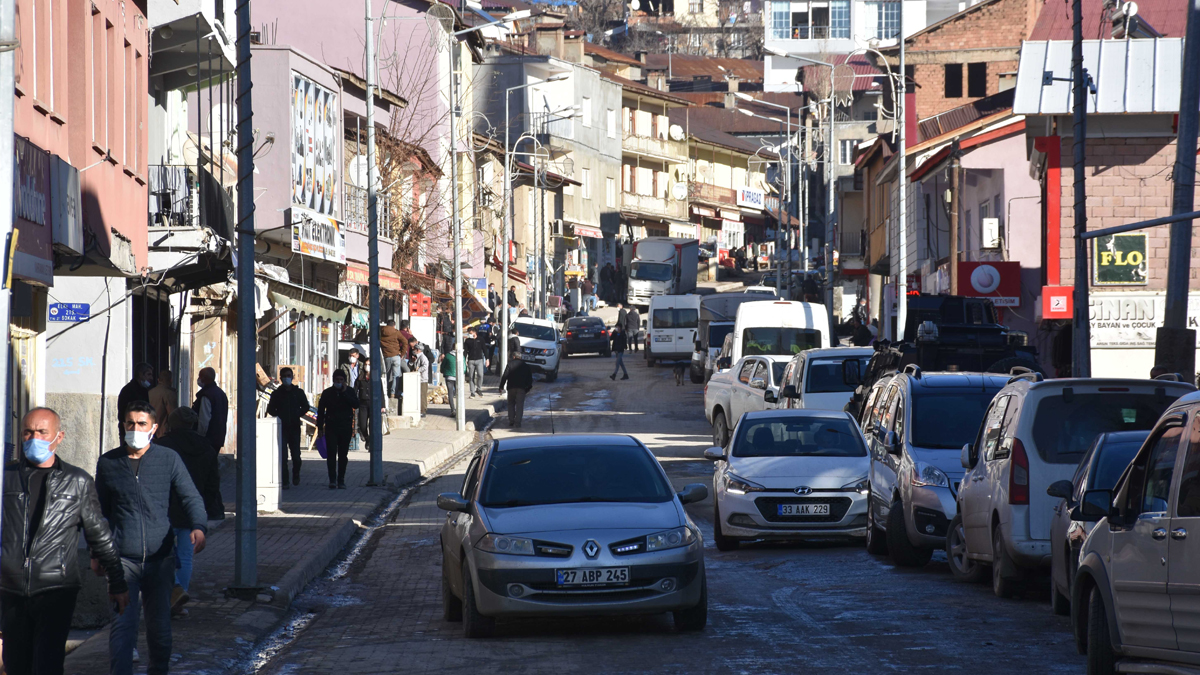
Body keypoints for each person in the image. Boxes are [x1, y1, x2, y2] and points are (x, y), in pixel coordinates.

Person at [2, 408, 128, 675]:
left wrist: (116, 581)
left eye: (42, 432)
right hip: (10, 588)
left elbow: (99, 533)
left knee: (47, 663)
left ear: (58, 437)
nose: (33, 438)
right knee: (16, 664)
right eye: (28, 432)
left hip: (56, 587)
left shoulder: (77, 481)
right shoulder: (6, 478)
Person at [96, 401, 208, 675]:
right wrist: (95, 552)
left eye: (142, 424)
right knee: (123, 627)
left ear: (154, 428)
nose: (135, 429)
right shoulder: (108, 463)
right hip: (122, 559)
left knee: (159, 629)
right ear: (123, 425)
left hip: (160, 559)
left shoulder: (168, 459)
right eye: (130, 423)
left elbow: (190, 495)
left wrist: (199, 525)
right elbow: (99, 512)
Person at [155, 407, 221, 618]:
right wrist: (204, 509)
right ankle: (179, 596)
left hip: (164, 508)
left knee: (159, 554)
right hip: (191, 509)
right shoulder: (207, 448)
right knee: (185, 555)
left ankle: (171, 594)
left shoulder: (162, 446)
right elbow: (213, 483)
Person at [266, 367, 310, 488]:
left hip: (295, 427)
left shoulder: (298, 393)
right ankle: (285, 480)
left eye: (288, 375)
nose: (287, 378)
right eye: (284, 376)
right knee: (283, 456)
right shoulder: (277, 394)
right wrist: (279, 415)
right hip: (282, 428)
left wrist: (298, 413)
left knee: (296, 456)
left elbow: (306, 406)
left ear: (292, 377)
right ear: (280, 378)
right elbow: (270, 409)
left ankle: (296, 474)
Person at [317, 371, 359, 489]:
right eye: (337, 380)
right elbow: (320, 411)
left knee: (343, 455)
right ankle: (332, 479)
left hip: (345, 427)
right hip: (331, 427)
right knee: (331, 454)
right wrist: (320, 427)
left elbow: (356, 404)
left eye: (341, 380)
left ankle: (341, 479)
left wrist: (345, 393)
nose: (339, 382)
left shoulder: (349, 391)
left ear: (344, 381)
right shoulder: (327, 393)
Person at [192, 367, 229, 453]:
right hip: (218, 438)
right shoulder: (221, 393)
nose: (199, 379)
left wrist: (199, 437)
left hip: (207, 439)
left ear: (204, 378)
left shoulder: (206, 395)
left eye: (200, 376)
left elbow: (203, 420)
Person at [117, 363, 154, 435]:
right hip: (131, 430)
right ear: (141, 375)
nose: (151, 378)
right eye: (148, 374)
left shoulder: (143, 390)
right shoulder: (129, 390)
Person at [499, 352, 534, 428]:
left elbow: (505, 376)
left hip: (511, 388)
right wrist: (527, 388)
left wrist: (501, 386)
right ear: (520, 357)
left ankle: (511, 421)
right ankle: (517, 423)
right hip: (521, 388)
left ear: (514, 357)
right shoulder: (525, 366)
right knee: (519, 405)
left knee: (511, 404)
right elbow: (530, 379)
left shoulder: (510, 364)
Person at [354, 359, 377, 453]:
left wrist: (382, 406)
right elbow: (354, 391)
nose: (367, 366)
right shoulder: (360, 377)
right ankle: (367, 439)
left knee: (372, 426)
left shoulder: (375, 377)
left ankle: (371, 444)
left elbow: (380, 391)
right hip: (362, 404)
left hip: (373, 404)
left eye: (369, 364)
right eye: (366, 364)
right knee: (362, 425)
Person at [380, 321, 407, 399]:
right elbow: (405, 341)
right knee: (396, 376)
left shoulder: (381, 331)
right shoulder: (396, 332)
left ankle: (386, 392)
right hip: (396, 356)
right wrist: (402, 353)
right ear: (394, 325)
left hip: (386, 356)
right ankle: (393, 393)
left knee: (387, 375)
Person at [147, 370, 176, 436]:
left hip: (150, 431)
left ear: (158, 380)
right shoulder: (169, 394)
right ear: (171, 380)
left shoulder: (150, 392)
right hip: (164, 432)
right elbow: (173, 415)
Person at [464, 327, 488, 399]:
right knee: (471, 376)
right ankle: (472, 392)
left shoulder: (480, 339)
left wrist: (487, 359)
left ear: (475, 332)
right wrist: (464, 359)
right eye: (469, 333)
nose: (470, 335)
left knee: (480, 375)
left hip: (479, 360)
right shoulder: (467, 341)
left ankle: (479, 389)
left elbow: (484, 349)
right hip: (471, 360)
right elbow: (465, 351)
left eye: (471, 333)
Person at [409, 338, 431, 415]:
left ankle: (423, 410)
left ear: (418, 349)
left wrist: (417, 370)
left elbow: (425, 366)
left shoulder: (423, 357)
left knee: (422, 395)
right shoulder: (416, 357)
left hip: (423, 379)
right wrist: (412, 362)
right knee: (418, 395)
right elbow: (412, 365)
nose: (413, 350)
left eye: (415, 349)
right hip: (417, 379)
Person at [439, 350, 459, 416]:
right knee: (458, 393)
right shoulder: (461, 355)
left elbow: (442, 366)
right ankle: (459, 410)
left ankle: (453, 410)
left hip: (449, 377)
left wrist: (443, 371)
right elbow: (464, 368)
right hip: (458, 378)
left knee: (450, 393)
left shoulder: (448, 356)